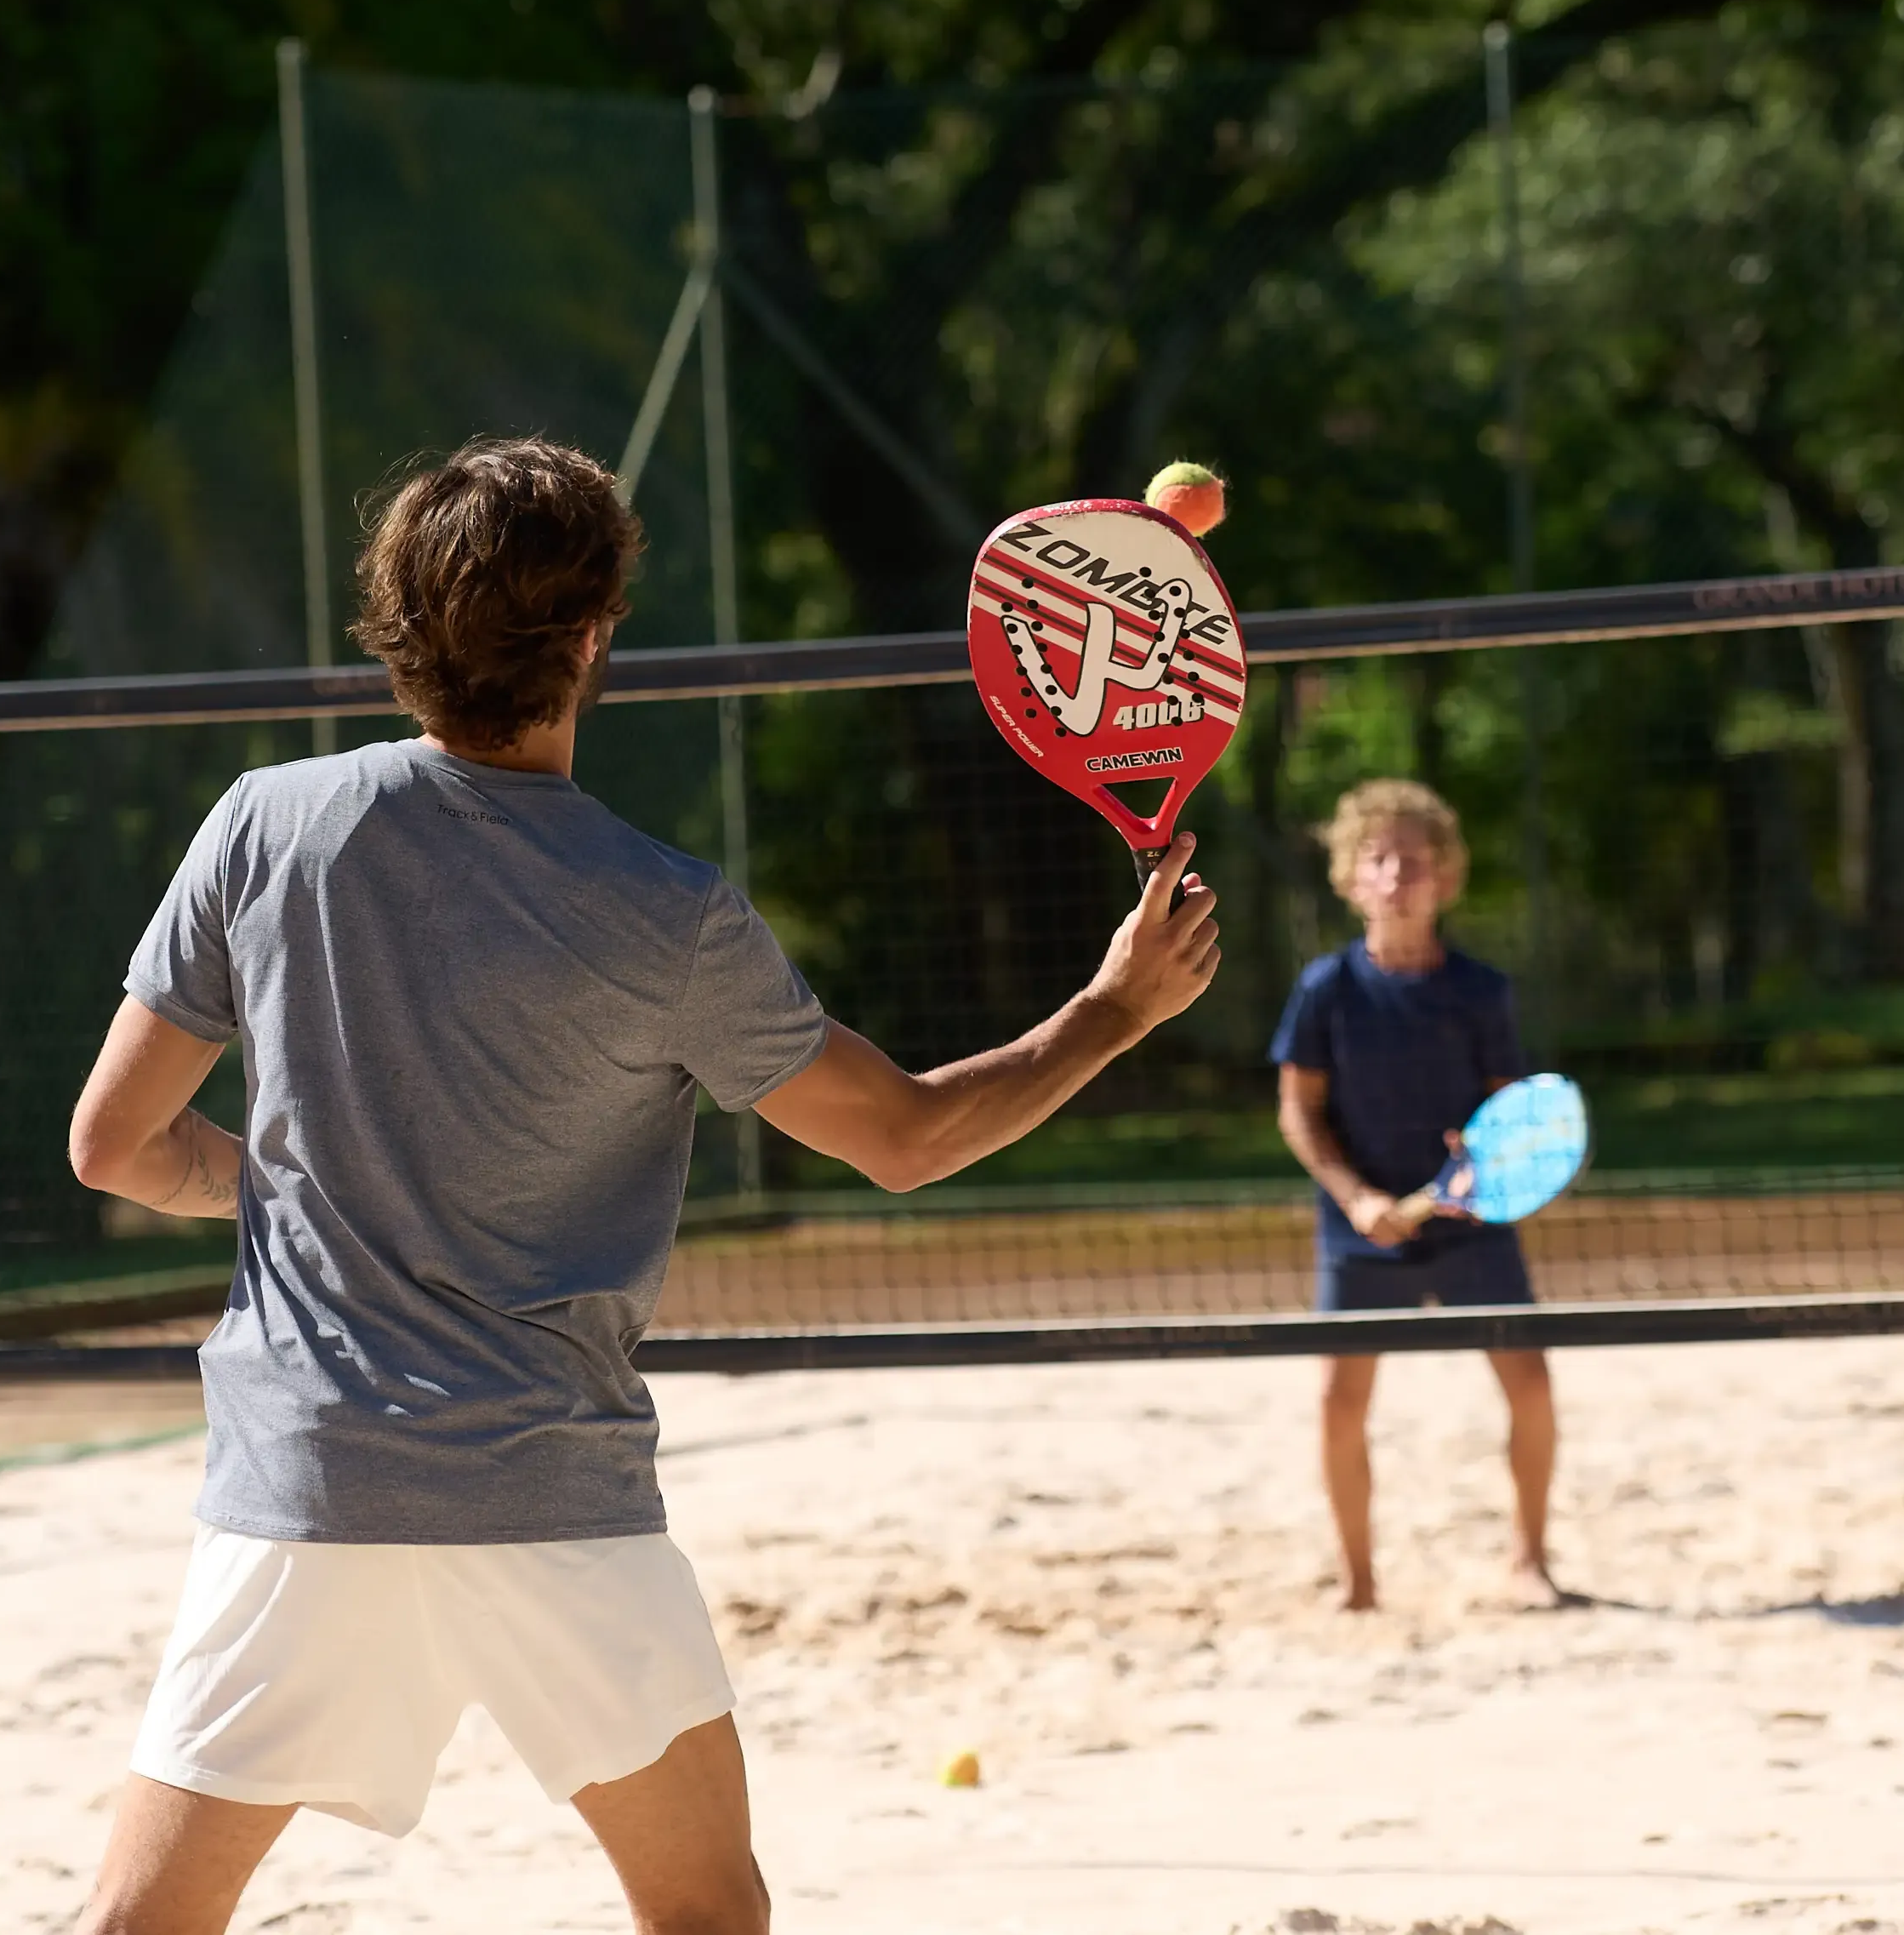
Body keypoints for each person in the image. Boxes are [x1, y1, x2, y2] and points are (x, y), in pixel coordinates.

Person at [61, 436, 1221, 1935]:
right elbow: (908, 1139)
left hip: (310, 1479)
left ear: (399, 627)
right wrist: (1113, 1013)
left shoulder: (266, 824)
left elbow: (115, 1147)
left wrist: (308, 1193)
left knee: (137, 1926)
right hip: (549, 1487)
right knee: (708, 1916)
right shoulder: (669, 915)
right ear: (596, 633)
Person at [1268, 778, 1560, 1613]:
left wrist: (1478, 1175)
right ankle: (1359, 1583)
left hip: (1469, 1224)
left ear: (1445, 878)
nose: (1397, 874)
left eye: (1415, 860)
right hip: (1359, 1230)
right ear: (1350, 877)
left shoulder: (1480, 989)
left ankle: (1529, 1560)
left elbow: (1510, 1116)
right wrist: (1356, 1197)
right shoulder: (1326, 988)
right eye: (1379, 857)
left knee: (1532, 1386)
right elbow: (1299, 1111)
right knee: (1339, 1402)